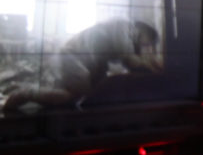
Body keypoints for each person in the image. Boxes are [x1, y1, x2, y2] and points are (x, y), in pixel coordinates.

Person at [2, 19, 163, 111]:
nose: (146, 47)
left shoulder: (124, 32)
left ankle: (24, 92)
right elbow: (130, 60)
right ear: (143, 31)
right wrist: (155, 67)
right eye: (147, 43)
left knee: (71, 99)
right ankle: (24, 93)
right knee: (72, 96)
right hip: (72, 57)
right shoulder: (124, 27)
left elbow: (124, 61)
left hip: (78, 61)